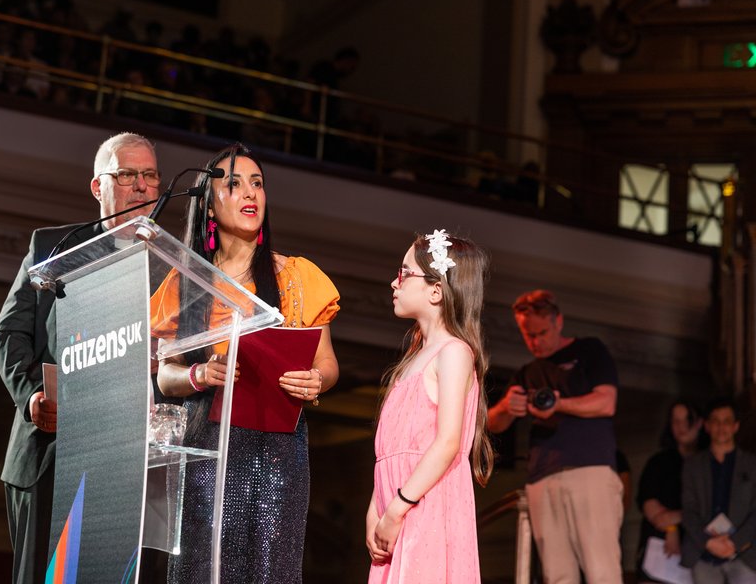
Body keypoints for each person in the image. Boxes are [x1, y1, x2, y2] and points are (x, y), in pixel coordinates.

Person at [151, 143, 340, 583]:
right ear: (210, 206)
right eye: (234, 184)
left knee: (269, 571)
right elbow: (166, 373)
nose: (250, 193)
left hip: (278, 454)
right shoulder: (186, 281)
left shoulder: (297, 277)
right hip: (207, 450)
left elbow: (327, 363)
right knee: (202, 568)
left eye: (257, 183)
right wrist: (199, 374)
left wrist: (316, 380)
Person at [0, 132, 160, 584]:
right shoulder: (51, 248)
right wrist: (30, 398)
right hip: (50, 448)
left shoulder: (168, 265)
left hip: (125, 462)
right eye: (127, 174)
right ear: (98, 186)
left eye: (150, 175)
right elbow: (7, 335)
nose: (141, 186)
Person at [366, 230, 494, 583]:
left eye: (405, 273)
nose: (395, 282)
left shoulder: (454, 353)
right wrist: (375, 507)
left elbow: (447, 442)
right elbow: (389, 452)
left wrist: (396, 507)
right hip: (396, 508)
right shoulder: (410, 362)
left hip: (424, 507)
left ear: (436, 291)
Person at [487, 289, 623, 583]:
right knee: (557, 575)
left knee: (602, 572)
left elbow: (606, 402)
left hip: (589, 470)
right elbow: (493, 424)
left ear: (558, 322)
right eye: (528, 334)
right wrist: (507, 406)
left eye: (542, 332)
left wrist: (559, 403)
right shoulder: (526, 373)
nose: (536, 341)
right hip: (541, 477)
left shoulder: (589, 350)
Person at [681, 397, 756, 583]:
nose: (721, 427)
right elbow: (688, 510)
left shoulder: (752, 464)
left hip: (744, 553)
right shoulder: (693, 465)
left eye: (727, 421)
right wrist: (708, 542)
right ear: (706, 425)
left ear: (736, 426)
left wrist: (734, 543)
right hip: (703, 551)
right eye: (715, 421)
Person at [635, 400, 705, 582]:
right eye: (675, 421)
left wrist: (679, 516)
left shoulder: (708, 463)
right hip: (659, 552)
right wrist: (671, 526)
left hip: (698, 551)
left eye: (686, 420)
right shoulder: (659, 461)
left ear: (699, 423)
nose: (681, 426)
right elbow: (648, 502)